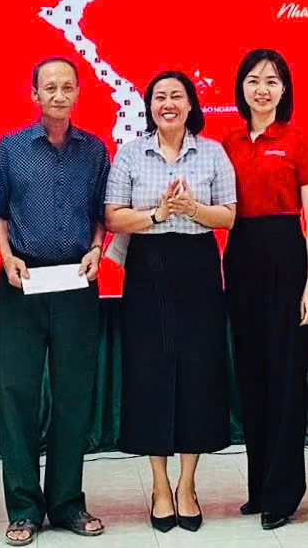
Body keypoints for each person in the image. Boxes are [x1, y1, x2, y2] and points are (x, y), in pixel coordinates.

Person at [104, 70, 237, 533]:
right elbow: (113, 218)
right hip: (148, 268)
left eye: (176, 96)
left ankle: (187, 485)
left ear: (190, 104)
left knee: (198, 373)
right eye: (159, 96)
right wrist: (159, 213)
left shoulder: (213, 152)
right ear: (150, 106)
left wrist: (192, 209)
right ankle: (160, 485)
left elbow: (229, 216)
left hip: (198, 267)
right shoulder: (130, 153)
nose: (168, 104)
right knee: (152, 373)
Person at [0, 57, 110, 546]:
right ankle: (23, 508)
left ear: (78, 93)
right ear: (34, 94)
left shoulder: (94, 150)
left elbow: (101, 214)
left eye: (67, 87)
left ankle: (67, 503)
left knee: (73, 395)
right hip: (22, 283)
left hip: (76, 281)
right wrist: (6, 256)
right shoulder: (9, 149)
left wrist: (97, 248)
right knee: (16, 395)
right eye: (49, 87)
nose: (59, 95)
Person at [219, 48, 308, 530]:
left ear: (285, 90)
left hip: (286, 256)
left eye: (272, 81)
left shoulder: (297, 141)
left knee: (285, 376)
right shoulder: (228, 143)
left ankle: (284, 492)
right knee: (253, 375)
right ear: (241, 88)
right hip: (241, 256)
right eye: (254, 80)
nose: (262, 89)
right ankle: (259, 487)